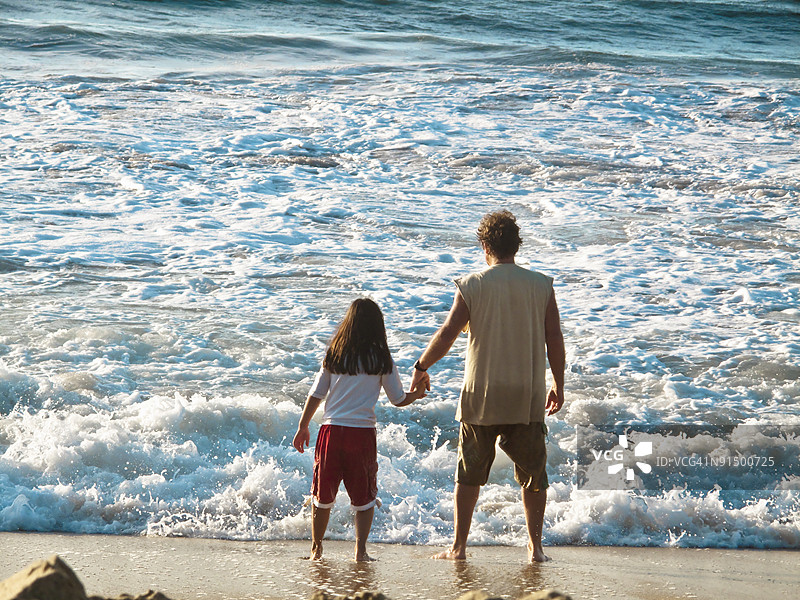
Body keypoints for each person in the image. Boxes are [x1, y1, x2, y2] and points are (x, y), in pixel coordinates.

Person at [409, 210, 565, 563]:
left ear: (484, 246)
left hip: (482, 396)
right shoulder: (541, 285)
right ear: (516, 245)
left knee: (469, 475)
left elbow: (448, 332)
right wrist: (558, 382)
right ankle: (536, 547)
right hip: (526, 396)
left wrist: (421, 366)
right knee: (533, 474)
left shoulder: (473, 284)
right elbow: (553, 338)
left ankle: (459, 546)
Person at [292, 298, 428, 562]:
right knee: (364, 496)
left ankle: (316, 549)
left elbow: (316, 394)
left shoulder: (335, 354)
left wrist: (303, 426)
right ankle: (360, 551)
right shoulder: (381, 358)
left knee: (322, 494)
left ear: (348, 323)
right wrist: (418, 394)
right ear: (378, 326)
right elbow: (398, 399)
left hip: (331, 432)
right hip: (362, 434)